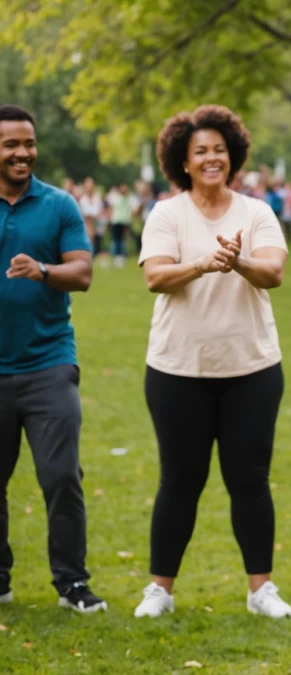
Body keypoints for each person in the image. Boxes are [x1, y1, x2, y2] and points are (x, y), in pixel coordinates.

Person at [134, 104, 291, 619]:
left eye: (219, 150)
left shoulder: (256, 212)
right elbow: (156, 276)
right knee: (179, 479)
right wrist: (204, 262)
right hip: (177, 369)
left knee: (249, 479)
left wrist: (238, 261)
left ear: (233, 156)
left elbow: (273, 273)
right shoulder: (167, 214)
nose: (211, 158)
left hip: (251, 368)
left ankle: (260, 590)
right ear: (182, 161)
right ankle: (160, 588)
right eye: (200, 151)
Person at [0, 104, 106, 613]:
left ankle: (72, 583)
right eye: (10, 145)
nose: (22, 153)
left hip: (48, 363)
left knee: (61, 476)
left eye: (28, 143)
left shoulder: (59, 204)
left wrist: (42, 269)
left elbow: (83, 273)